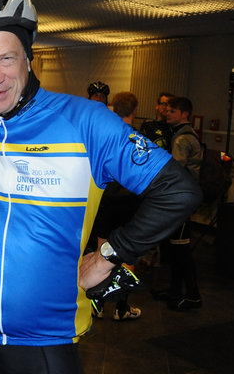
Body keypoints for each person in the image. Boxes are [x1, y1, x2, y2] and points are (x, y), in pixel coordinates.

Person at [0, 0, 201, 373]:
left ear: (29, 59)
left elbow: (179, 190)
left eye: (6, 59)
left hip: (48, 340)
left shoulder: (85, 122)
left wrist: (113, 253)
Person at [89, 91, 143, 321]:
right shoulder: (137, 139)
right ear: (134, 110)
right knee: (127, 256)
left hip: (104, 200)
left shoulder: (103, 134)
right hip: (128, 202)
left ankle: (98, 305)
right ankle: (122, 308)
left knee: (102, 251)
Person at [160, 96, 203, 310]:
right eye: (167, 109)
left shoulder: (182, 139)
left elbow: (174, 172)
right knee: (177, 249)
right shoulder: (183, 135)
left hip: (181, 200)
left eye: (173, 110)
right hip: (183, 198)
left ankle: (193, 295)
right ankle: (175, 290)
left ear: (185, 114)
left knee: (182, 250)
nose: (167, 113)